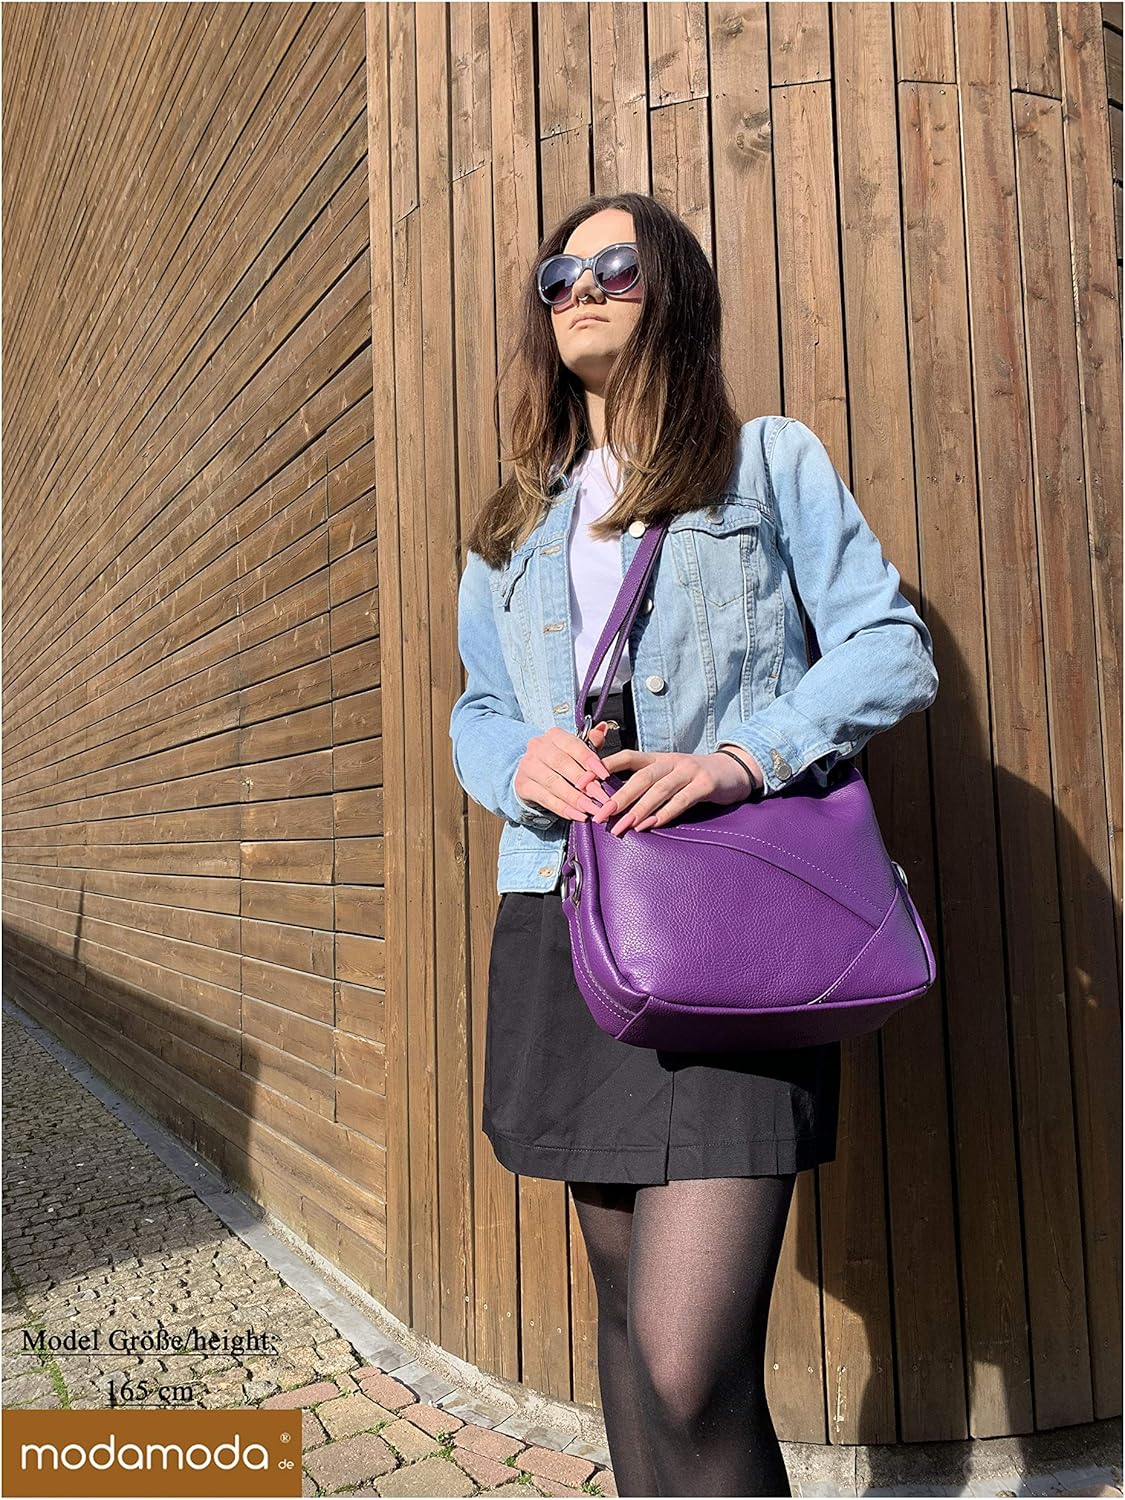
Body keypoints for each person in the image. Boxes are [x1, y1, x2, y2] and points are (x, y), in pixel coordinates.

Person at [448, 191, 939, 1498]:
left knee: (684, 1363)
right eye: (559, 275)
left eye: (614, 265)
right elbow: (478, 707)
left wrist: (738, 760)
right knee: (623, 1329)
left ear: (671, 288)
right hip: (568, 919)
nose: (582, 289)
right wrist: (516, 758)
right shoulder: (514, 520)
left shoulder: (765, 463)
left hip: (725, 934)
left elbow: (891, 651)